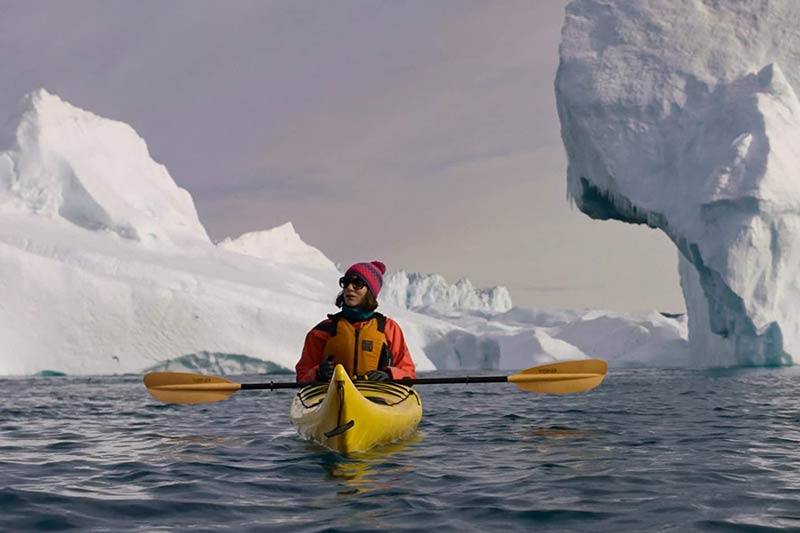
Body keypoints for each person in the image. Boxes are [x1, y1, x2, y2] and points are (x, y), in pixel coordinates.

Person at [295, 260, 416, 383]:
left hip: (377, 395)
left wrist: (389, 375)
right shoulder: (322, 330)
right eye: (346, 282)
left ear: (370, 291)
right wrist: (318, 373)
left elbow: (408, 372)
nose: (349, 288)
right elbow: (302, 376)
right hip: (332, 395)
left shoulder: (389, 328)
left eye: (357, 283)